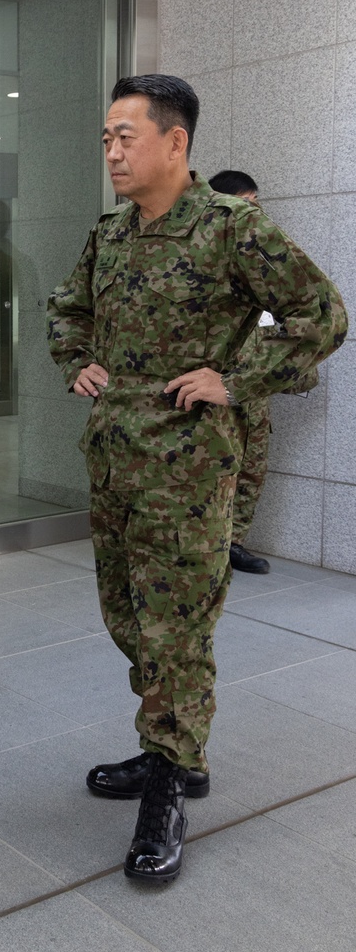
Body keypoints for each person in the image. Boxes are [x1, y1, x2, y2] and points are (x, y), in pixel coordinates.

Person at [47, 75, 346, 884]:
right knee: (130, 621)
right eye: (105, 138)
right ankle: (171, 751)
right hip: (114, 463)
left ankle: (170, 783)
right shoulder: (110, 234)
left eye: (124, 136)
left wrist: (235, 378)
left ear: (174, 143)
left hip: (187, 474)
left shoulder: (230, 228)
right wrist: (78, 361)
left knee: (178, 631)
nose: (110, 151)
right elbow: (65, 308)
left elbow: (322, 315)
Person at [208, 170, 272, 575]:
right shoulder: (204, 255)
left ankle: (234, 543)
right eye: (247, 205)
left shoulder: (262, 261)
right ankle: (210, 547)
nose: (255, 215)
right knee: (216, 473)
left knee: (252, 467)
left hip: (253, 390)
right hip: (215, 390)